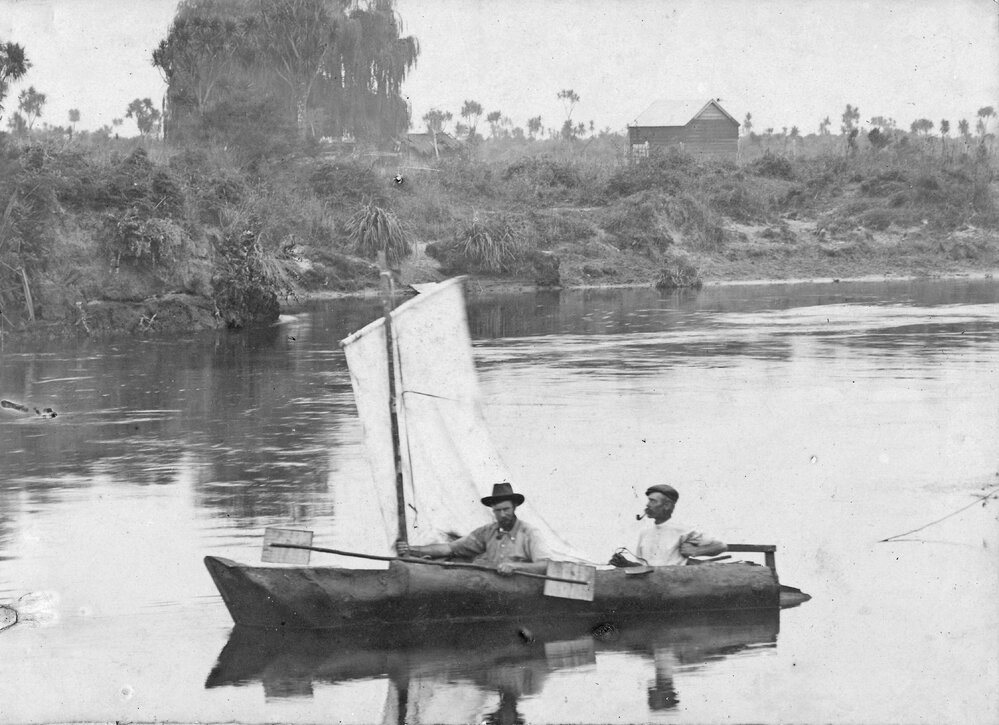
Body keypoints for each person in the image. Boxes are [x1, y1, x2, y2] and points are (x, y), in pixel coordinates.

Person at [395, 482, 551, 576]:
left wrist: (516, 566)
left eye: (506, 509)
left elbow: (545, 565)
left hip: (521, 590)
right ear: (493, 511)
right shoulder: (487, 531)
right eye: (498, 511)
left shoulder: (529, 533)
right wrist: (412, 549)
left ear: (515, 507)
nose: (502, 515)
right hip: (494, 586)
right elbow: (450, 548)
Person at [636, 484, 727, 566]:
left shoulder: (683, 530)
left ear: (667, 505)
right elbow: (642, 563)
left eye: (653, 501)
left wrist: (696, 551)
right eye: (649, 501)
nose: (647, 505)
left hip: (675, 582)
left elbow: (720, 546)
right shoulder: (644, 532)